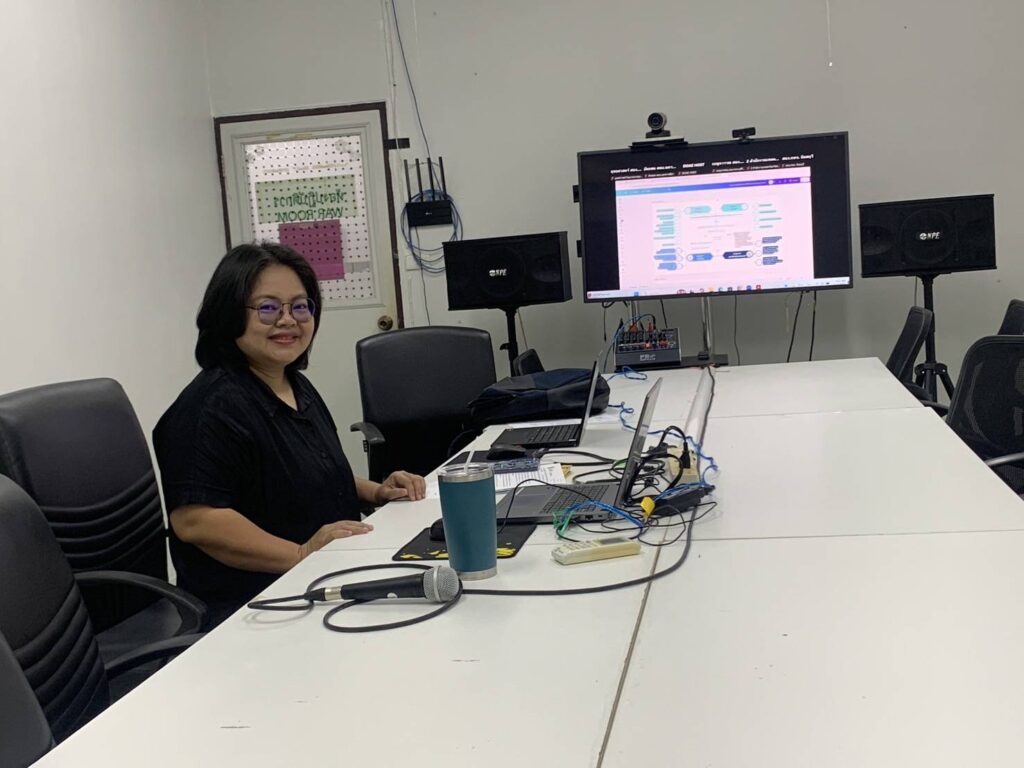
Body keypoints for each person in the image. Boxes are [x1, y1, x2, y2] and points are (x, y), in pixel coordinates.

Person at [154, 242, 425, 626]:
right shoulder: (209, 409)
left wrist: (377, 491)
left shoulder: (294, 385)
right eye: (268, 308)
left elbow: (305, 472)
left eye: (300, 306)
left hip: (324, 581)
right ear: (229, 313)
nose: (288, 320)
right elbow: (197, 520)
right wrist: (301, 555)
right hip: (257, 608)